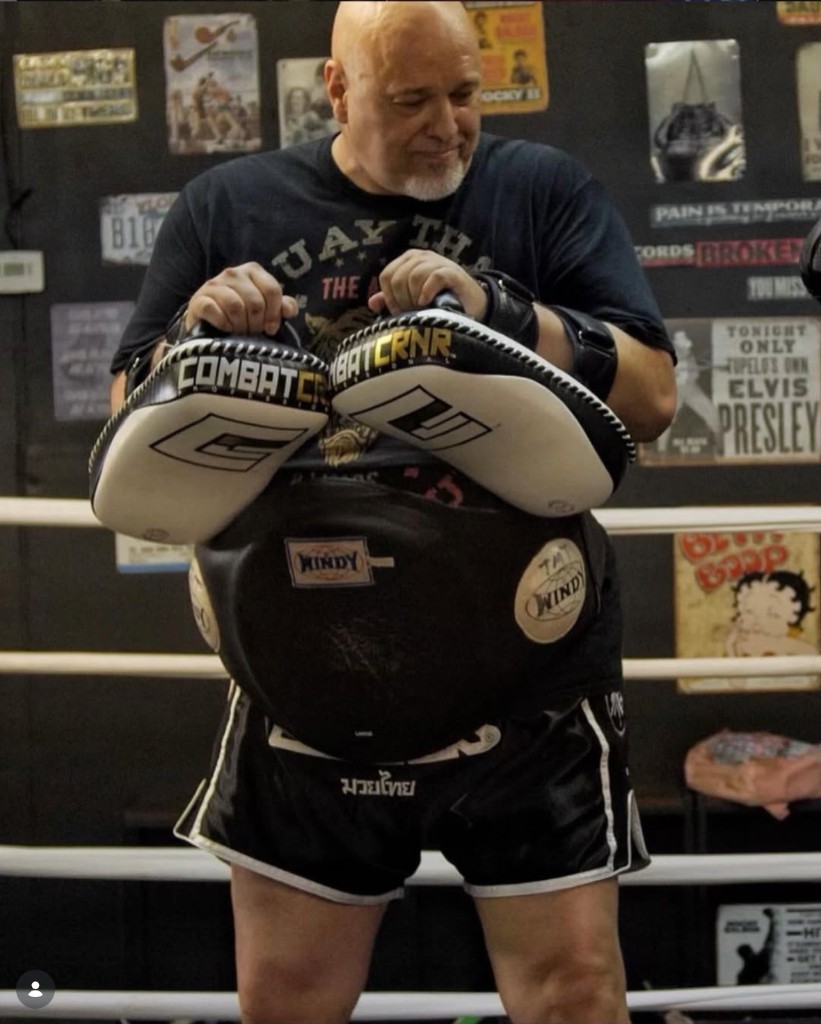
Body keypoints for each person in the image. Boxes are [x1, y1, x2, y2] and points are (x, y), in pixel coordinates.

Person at [107, 3, 676, 1021]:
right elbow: (127, 439)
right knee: (288, 996)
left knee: (571, 991)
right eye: (409, 100)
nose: (446, 125)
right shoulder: (225, 205)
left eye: (464, 94)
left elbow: (650, 398)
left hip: (528, 673)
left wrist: (501, 310)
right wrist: (193, 344)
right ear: (333, 88)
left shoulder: (540, 192)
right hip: (302, 663)